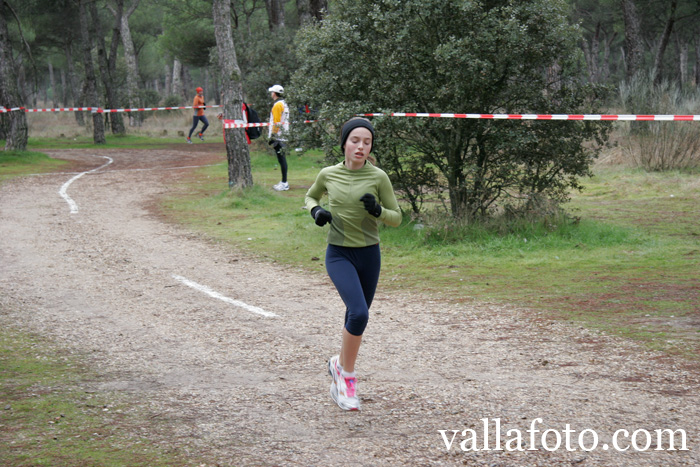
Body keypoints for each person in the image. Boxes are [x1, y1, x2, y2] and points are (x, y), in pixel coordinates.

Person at [304, 117, 402, 411]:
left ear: (371, 146)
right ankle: (346, 381)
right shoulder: (328, 174)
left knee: (355, 316)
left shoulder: (379, 177)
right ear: (344, 143)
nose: (361, 147)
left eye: (367, 142)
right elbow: (309, 197)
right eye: (355, 140)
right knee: (359, 313)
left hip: (370, 254)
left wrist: (379, 210)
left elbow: (397, 218)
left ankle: (338, 364)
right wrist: (317, 211)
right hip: (339, 254)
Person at [267, 84, 290, 191]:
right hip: (284, 134)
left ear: (275, 93)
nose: (271, 94)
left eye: (272, 92)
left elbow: (276, 122)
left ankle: (284, 182)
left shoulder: (277, 105)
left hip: (279, 136)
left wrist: (273, 136)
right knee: (282, 159)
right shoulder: (285, 104)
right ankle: (284, 181)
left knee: (282, 159)